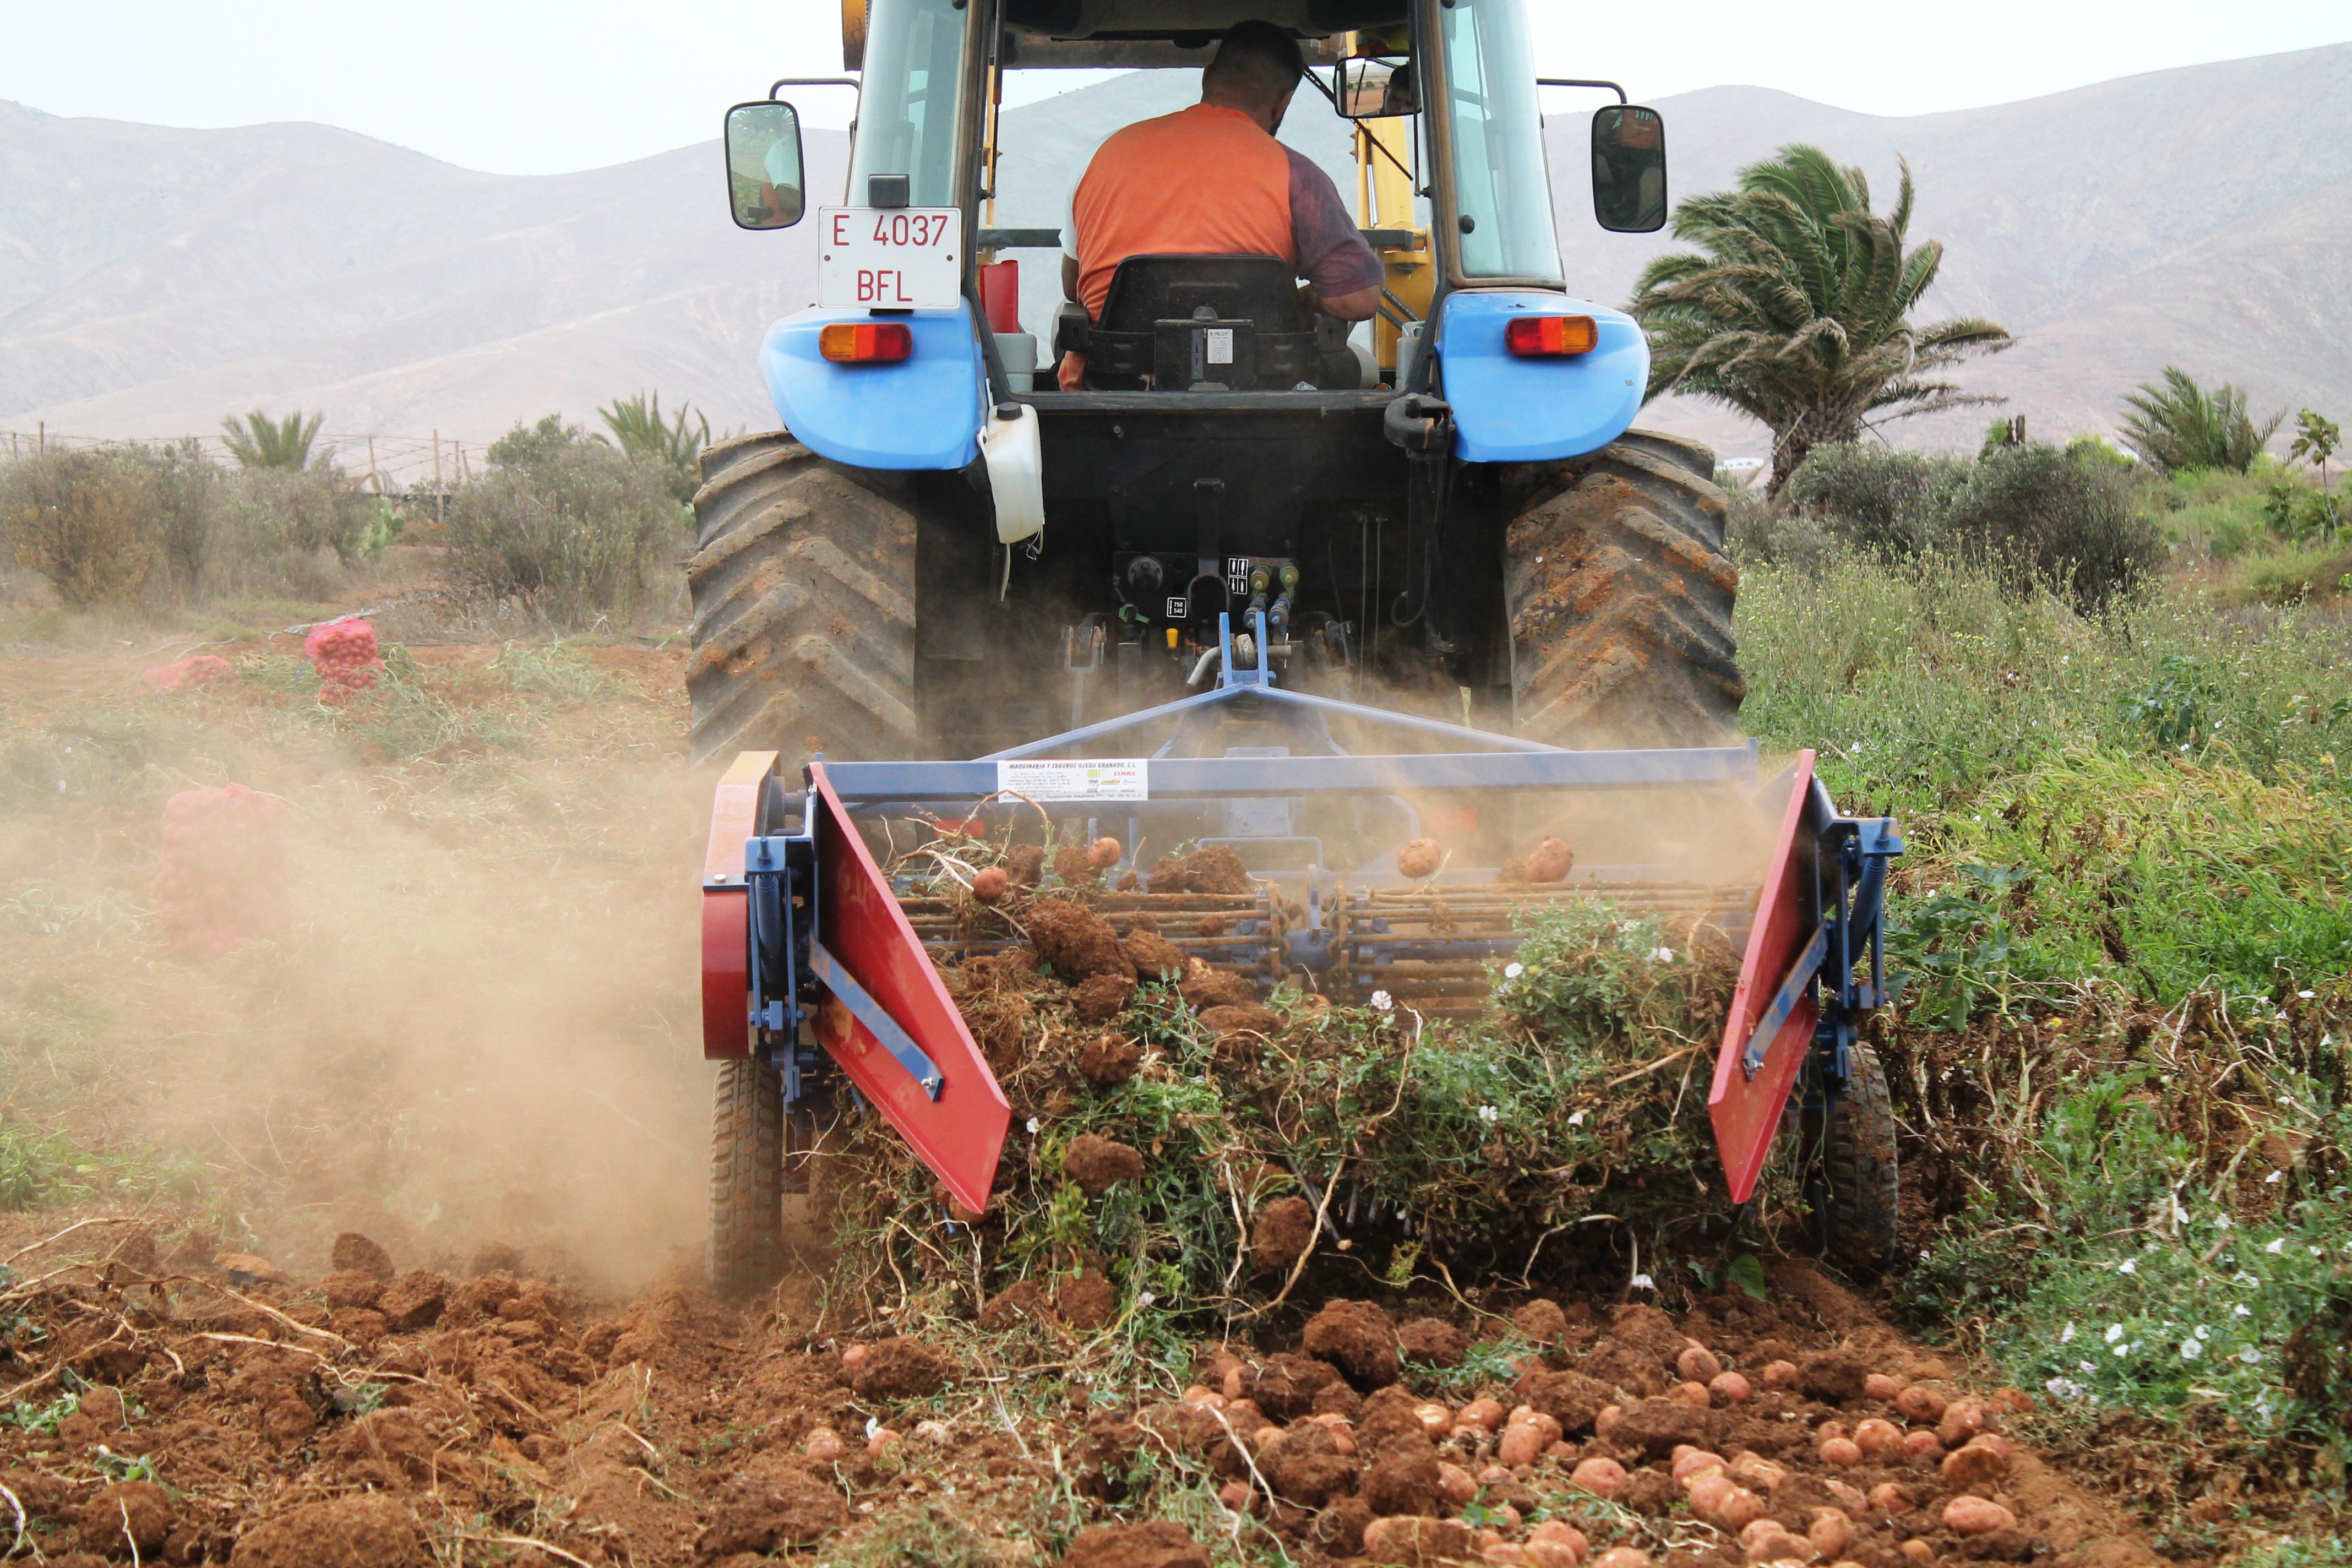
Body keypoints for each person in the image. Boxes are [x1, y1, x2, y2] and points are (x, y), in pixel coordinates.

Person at [1057, 20, 1385, 390]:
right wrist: (1285, 303)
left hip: (1113, 391)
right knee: (1367, 368)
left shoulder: (1099, 156)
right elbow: (1358, 300)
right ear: (1283, 102)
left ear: (1207, 77)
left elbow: (1074, 286)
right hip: (1260, 392)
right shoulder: (1298, 176)